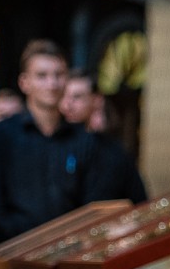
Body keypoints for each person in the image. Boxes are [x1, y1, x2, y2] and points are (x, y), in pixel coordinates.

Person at [0, 40, 108, 246]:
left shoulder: (84, 140)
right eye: (42, 76)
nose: (52, 84)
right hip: (11, 257)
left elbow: (91, 206)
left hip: (68, 258)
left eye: (59, 75)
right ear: (24, 82)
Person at [61, 70, 147, 203]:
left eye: (77, 97)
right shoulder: (56, 142)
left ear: (96, 100)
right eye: (62, 96)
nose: (67, 105)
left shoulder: (112, 151)